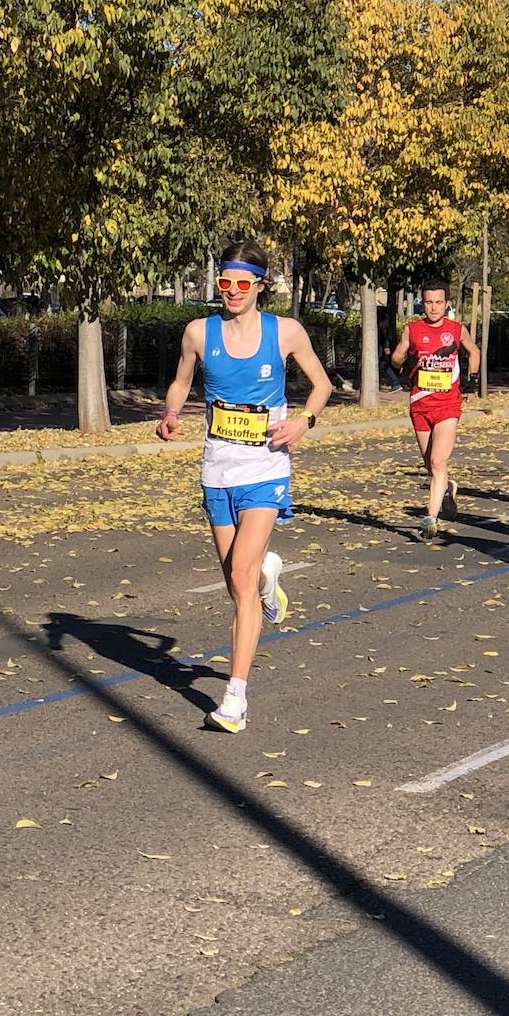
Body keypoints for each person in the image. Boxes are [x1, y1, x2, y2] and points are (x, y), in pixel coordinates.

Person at [156, 240, 332, 734]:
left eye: (241, 283)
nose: (232, 292)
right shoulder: (198, 332)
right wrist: (170, 413)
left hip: (267, 467)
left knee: (237, 573)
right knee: (242, 581)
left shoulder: (286, 331)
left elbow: (322, 385)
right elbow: (180, 382)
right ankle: (266, 579)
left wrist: (304, 421)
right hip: (218, 468)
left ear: (260, 286)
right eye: (224, 283)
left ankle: (235, 697)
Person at [389, 280, 480, 541]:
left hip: (448, 404)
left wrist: (471, 378)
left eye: (439, 302)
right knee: (431, 464)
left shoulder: (456, 329)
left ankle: (431, 517)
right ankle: (448, 488)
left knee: (439, 461)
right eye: (429, 302)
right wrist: (403, 360)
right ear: (422, 303)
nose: (433, 307)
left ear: (447, 303)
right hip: (420, 403)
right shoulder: (413, 329)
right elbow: (396, 357)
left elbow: (474, 351)